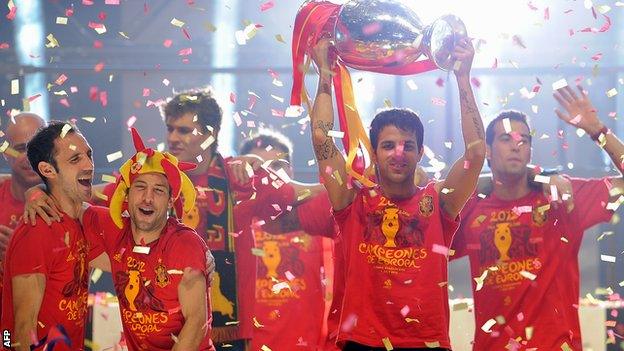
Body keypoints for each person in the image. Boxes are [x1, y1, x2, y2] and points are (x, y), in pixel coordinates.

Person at [308, 35, 485, 350]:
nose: (398, 153)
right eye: (388, 145)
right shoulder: (352, 199)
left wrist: (462, 77)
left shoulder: (439, 201)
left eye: (408, 146)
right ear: (374, 153)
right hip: (362, 342)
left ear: (419, 153)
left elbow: (476, 150)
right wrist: (324, 73)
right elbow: (322, 138)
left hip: (425, 342)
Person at [450, 84, 623, 349]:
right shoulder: (470, 207)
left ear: (530, 150)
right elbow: (427, 222)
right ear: (488, 150)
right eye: (506, 139)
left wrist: (598, 131)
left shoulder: (561, 198)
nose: (516, 146)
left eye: (524, 140)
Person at [80, 128, 214, 350]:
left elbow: (196, 322)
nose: (148, 198)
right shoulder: (114, 231)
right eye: (140, 187)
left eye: (159, 191)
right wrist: (35, 194)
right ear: (127, 194)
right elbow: (70, 204)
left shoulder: (185, 244)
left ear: (171, 201)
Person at [1, 121, 108, 350]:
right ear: (48, 170)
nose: (89, 164)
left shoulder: (79, 219)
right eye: (75, 159)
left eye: (89, 155)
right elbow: (21, 330)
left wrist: (197, 257)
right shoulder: (37, 229)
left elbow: (127, 263)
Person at [239, 129, 331, 350]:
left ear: (291, 171)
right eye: (261, 170)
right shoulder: (232, 225)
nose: (271, 178)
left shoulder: (316, 218)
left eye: (278, 168)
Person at [0, 113, 46, 314]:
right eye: (20, 148)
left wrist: (17, 253)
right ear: (5, 154)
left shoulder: (67, 204)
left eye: (36, 147)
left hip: (43, 326)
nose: (30, 157)